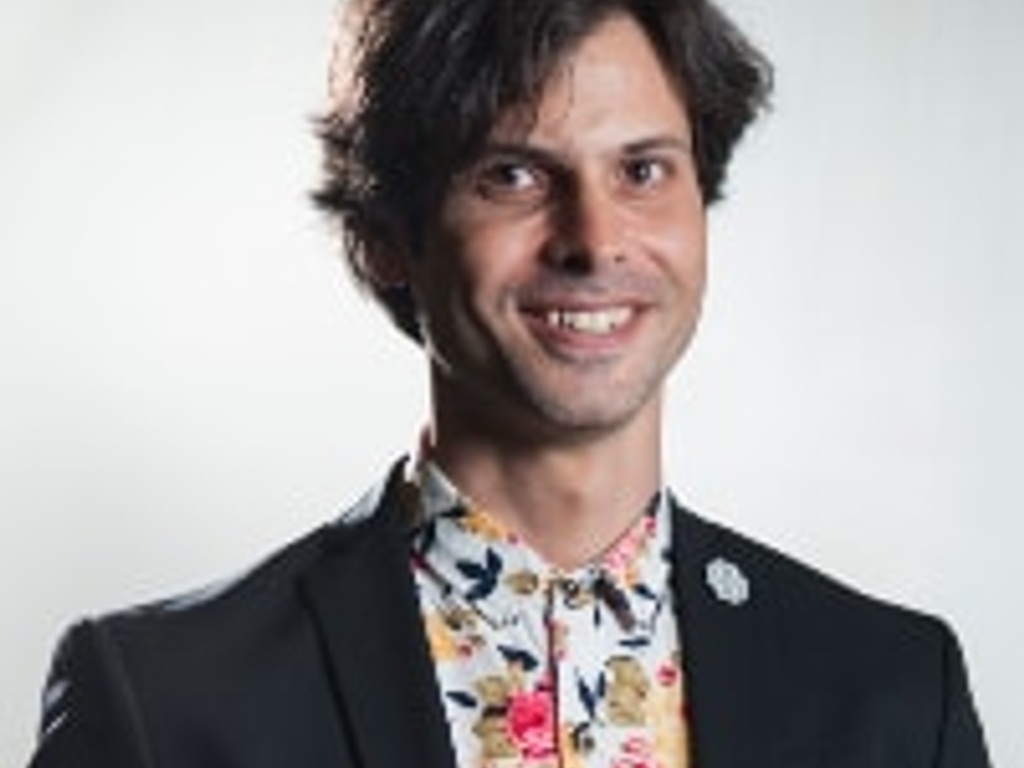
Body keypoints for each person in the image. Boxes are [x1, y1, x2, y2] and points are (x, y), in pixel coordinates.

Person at [27, 0, 991, 766]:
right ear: (384, 240)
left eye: (645, 171)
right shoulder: (166, 704)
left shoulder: (895, 692)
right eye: (514, 177)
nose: (596, 239)